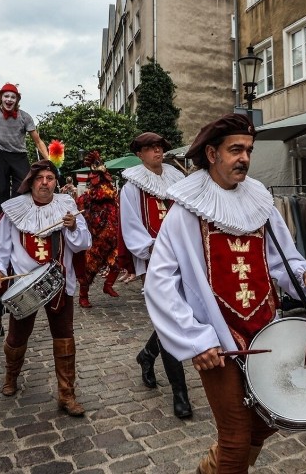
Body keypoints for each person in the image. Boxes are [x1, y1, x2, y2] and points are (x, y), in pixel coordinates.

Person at [143, 114, 306, 473]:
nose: (244, 157)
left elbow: (283, 258)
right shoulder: (185, 212)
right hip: (218, 339)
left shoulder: (260, 203)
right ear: (212, 154)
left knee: (264, 422)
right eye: (235, 150)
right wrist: (195, 340)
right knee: (234, 437)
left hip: (266, 329)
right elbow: (160, 282)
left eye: (248, 150)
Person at [0, 159, 91, 416]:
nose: (45, 182)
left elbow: (82, 244)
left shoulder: (67, 206)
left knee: (65, 336)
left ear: (56, 183)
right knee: (17, 336)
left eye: (50, 178)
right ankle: (11, 377)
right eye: (40, 178)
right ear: (32, 182)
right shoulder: (14, 209)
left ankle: (67, 394)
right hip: (24, 284)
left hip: (58, 280)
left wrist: (73, 227)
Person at [120, 132, 191, 419]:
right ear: (140, 154)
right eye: (150, 148)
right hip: (156, 260)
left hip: (184, 257)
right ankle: (180, 393)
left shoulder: (177, 177)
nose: (157, 152)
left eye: (159, 147)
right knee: (171, 319)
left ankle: (147, 355)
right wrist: (153, 249)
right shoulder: (132, 186)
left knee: (177, 317)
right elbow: (132, 226)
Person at [0, 82, 49, 229]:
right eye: (6, 96)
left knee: (25, 189)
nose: (9, 99)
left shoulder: (25, 117)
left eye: (13, 97)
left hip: (19, 156)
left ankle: (21, 225)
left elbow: (38, 142)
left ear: (17, 100)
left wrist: (49, 161)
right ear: (0, 98)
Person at [73, 151, 122, 307]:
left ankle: (108, 285)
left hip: (111, 236)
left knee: (117, 262)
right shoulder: (88, 198)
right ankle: (83, 296)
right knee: (89, 270)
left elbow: (110, 196)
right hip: (95, 238)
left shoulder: (111, 194)